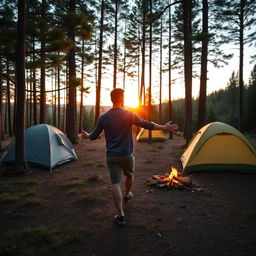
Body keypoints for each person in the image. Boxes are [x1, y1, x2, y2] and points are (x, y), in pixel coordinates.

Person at [81, 88, 178, 227]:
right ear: (121, 99)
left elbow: (93, 136)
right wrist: (165, 127)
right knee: (129, 176)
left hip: (112, 156)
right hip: (127, 155)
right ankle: (127, 195)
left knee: (115, 183)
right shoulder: (129, 114)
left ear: (111, 99)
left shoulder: (103, 117)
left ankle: (120, 216)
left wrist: (86, 135)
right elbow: (147, 124)